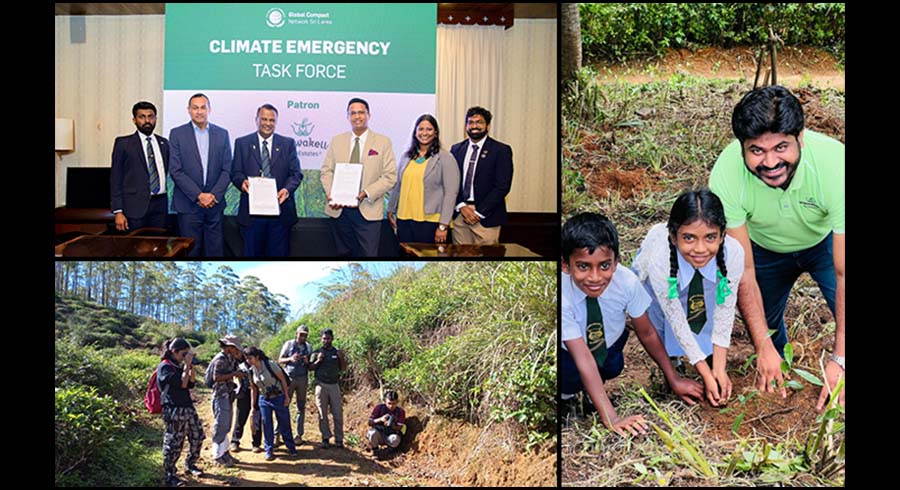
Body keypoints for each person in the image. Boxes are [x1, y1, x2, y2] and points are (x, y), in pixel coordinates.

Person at [709, 85, 845, 410]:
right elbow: (742, 270)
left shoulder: (835, 166)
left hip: (823, 242)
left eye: (781, 147)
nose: (770, 162)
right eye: (756, 151)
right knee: (765, 328)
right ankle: (780, 368)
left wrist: (840, 359)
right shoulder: (726, 175)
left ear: (801, 138)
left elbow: (845, 272)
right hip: (763, 249)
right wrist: (762, 346)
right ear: (742, 146)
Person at [560, 213, 704, 436]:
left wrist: (673, 377)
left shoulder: (627, 282)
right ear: (565, 265)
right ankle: (567, 398)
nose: (595, 277)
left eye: (605, 265)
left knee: (612, 366)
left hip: (609, 344)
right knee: (570, 376)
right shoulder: (563, 295)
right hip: (571, 352)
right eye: (583, 266)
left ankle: (593, 392)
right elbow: (583, 358)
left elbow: (646, 332)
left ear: (616, 262)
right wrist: (612, 418)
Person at [632, 188, 744, 406]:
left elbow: (725, 310)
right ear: (674, 237)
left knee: (705, 310)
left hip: (704, 285)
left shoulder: (734, 253)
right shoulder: (659, 258)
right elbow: (676, 319)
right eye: (689, 238)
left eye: (710, 237)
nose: (700, 248)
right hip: (660, 288)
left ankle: (708, 357)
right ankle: (673, 366)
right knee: (660, 320)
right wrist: (705, 374)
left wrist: (718, 370)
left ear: (722, 235)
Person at [320, 97, 397, 256]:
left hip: (367, 210)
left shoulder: (383, 142)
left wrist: (365, 193)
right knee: (343, 257)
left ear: (369, 115)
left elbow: (390, 176)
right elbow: (327, 171)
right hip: (339, 211)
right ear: (348, 116)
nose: (357, 117)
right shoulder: (337, 141)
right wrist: (331, 193)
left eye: (361, 112)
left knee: (368, 255)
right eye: (353, 113)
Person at [231, 104, 303, 257]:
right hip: (251, 215)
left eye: (272, 120)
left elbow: (296, 174)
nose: (267, 123)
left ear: (276, 122)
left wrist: (287, 190)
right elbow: (235, 173)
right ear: (256, 120)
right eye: (264, 119)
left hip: (280, 214)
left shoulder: (288, 144)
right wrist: (242, 183)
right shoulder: (242, 143)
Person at [169, 93, 233, 257]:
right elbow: (176, 170)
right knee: (190, 253)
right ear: (188, 110)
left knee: (215, 252)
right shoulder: (177, 134)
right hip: (188, 205)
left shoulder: (222, 134)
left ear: (209, 109)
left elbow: (227, 169)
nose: (199, 111)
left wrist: (213, 195)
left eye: (203, 107)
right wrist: (198, 195)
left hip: (215, 205)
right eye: (195, 108)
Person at [387, 114, 460, 244]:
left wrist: (443, 225)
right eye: (421, 129)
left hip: (431, 221)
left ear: (436, 133)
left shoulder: (445, 157)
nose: (424, 133)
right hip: (404, 220)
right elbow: (397, 186)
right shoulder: (406, 157)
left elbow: (451, 194)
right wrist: (390, 210)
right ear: (415, 133)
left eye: (429, 129)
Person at [450, 106, 514, 245]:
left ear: (488, 125)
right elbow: (451, 182)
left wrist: (478, 213)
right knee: (460, 258)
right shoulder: (456, 149)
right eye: (470, 122)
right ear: (466, 126)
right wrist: (461, 205)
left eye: (479, 122)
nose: (474, 126)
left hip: (487, 217)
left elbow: (502, 186)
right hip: (461, 214)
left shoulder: (501, 150)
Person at [110, 101, 170, 232]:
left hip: (160, 206)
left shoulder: (164, 143)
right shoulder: (123, 144)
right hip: (134, 208)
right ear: (134, 120)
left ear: (156, 119)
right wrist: (118, 211)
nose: (147, 120)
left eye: (151, 116)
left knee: (160, 247)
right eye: (142, 117)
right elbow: (116, 179)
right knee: (135, 248)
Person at [158, 337, 205, 487]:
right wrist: (187, 365)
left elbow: (190, 384)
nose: (185, 356)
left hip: (187, 407)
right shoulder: (165, 367)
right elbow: (182, 384)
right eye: (183, 353)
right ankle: (169, 475)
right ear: (174, 351)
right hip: (173, 409)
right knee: (174, 443)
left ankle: (190, 464)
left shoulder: (179, 366)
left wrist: (190, 367)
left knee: (197, 435)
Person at [242, 346, 298, 461]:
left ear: (257, 357)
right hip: (264, 399)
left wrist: (287, 397)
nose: (248, 361)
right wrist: (253, 407)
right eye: (246, 359)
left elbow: (283, 380)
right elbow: (254, 389)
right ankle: (269, 450)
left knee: (284, 423)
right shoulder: (251, 371)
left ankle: (291, 447)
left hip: (278, 397)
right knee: (266, 424)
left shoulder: (270, 365)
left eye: (250, 358)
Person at [208, 335, 245, 466]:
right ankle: (217, 455)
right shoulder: (220, 359)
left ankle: (224, 453)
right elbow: (216, 377)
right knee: (221, 424)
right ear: (230, 347)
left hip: (228, 394)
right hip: (220, 395)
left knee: (226, 425)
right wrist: (234, 375)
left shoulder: (230, 358)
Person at [310, 328, 348, 448]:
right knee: (322, 413)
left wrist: (341, 357)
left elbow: (343, 368)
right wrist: (318, 361)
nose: (326, 340)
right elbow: (310, 368)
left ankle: (339, 439)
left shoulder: (337, 352)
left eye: (328, 338)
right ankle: (325, 438)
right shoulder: (317, 352)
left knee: (337, 413)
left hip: (334, 385)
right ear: (321, 339)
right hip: (321, 385)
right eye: (324, 338)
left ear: (332, 339)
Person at [278, 324, 313, 444]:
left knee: (301, 407)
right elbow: (280, 360)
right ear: (296, 334)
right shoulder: (289, 344)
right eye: (301, 334)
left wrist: (307, 361)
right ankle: (277, 434)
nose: (303, 337)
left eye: (305, 335)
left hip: (303, 378)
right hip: (289, 378)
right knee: (283, 405)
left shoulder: (308, 347)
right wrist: (290, 359)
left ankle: (299, 435)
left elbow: (310, 365)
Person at [230, 349, 262, 453]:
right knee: (240, 418)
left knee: (256, 419)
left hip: (258, 393)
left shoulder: (257, 364)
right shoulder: (238, 365)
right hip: (243, 394)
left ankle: (256, 443)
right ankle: (235, 441)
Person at [365, 389, 406, 454]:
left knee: (395, 439)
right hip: (379, 434)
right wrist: (380, 419)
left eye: (394, 403)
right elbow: (369, 422)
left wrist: (392, 425)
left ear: (397, 402)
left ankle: (387, 452)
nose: (391, 406)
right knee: (372, 433)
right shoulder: (379, 408)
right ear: (385, 401)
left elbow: (399, 427)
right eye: (389, 403)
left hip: (390, 435)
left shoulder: (400, 412)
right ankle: (375, 450)